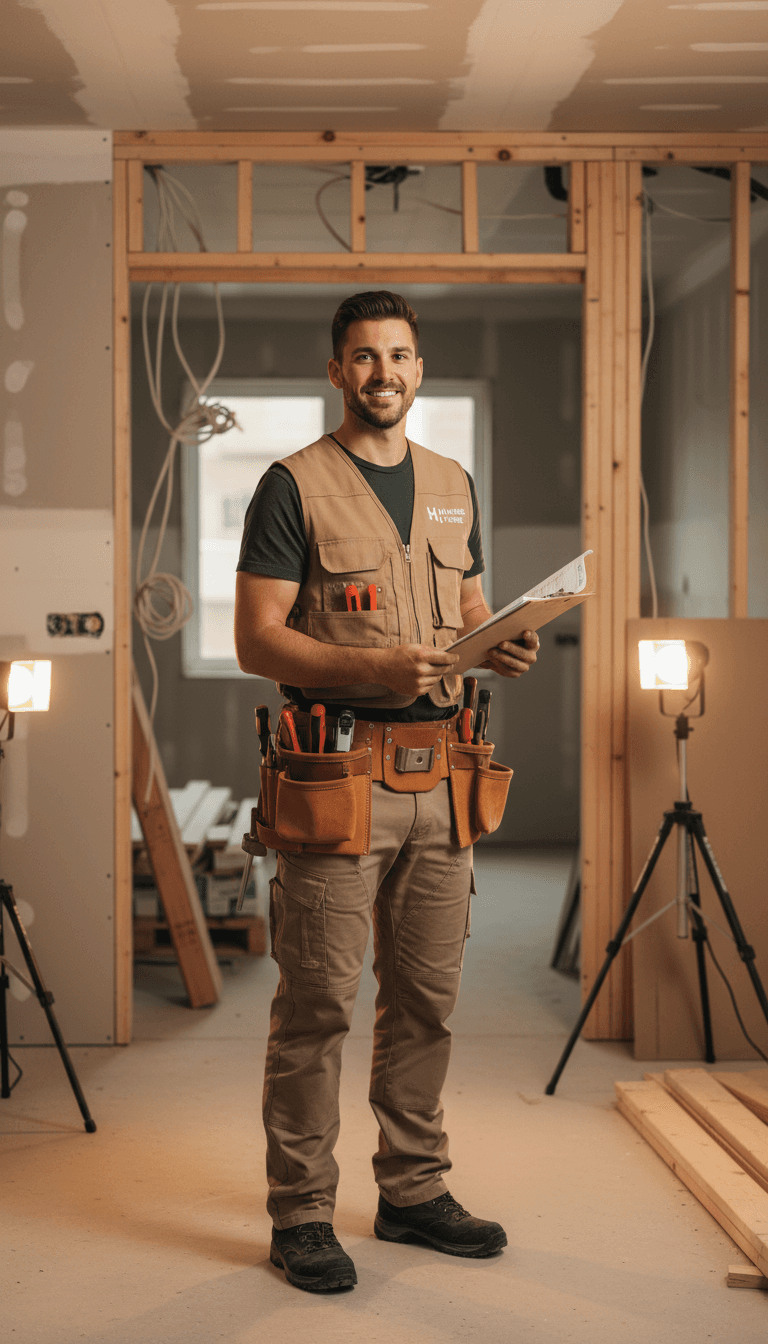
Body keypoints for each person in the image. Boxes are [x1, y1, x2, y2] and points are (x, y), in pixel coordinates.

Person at [235, 290, 539, 1293]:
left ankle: (412, 1190)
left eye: (400, 355)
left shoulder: (453, 482)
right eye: (364, 357)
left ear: (420, 367)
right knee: (318, 1003)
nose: (384, 374)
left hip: (444, 775)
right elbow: (258, 638)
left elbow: (467, 607)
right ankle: (304, 1215)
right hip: (337, 775)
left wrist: (504, 639)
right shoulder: (291, 486)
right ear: (337, 372)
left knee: (427, 1002)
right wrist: (374, 674)